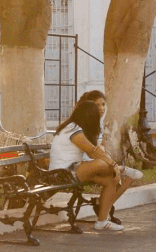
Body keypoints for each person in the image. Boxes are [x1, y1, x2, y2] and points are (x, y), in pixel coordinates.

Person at [50, 96, 141, 232]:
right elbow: (93, 151)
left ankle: (102, 221)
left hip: (74, 169)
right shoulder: (72, 129)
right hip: (62, 173)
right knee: (101, 164)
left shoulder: (77, 128)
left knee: (111, 181)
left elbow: (96, 152)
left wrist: (109, 162)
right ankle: (122, 169)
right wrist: (114, 165)